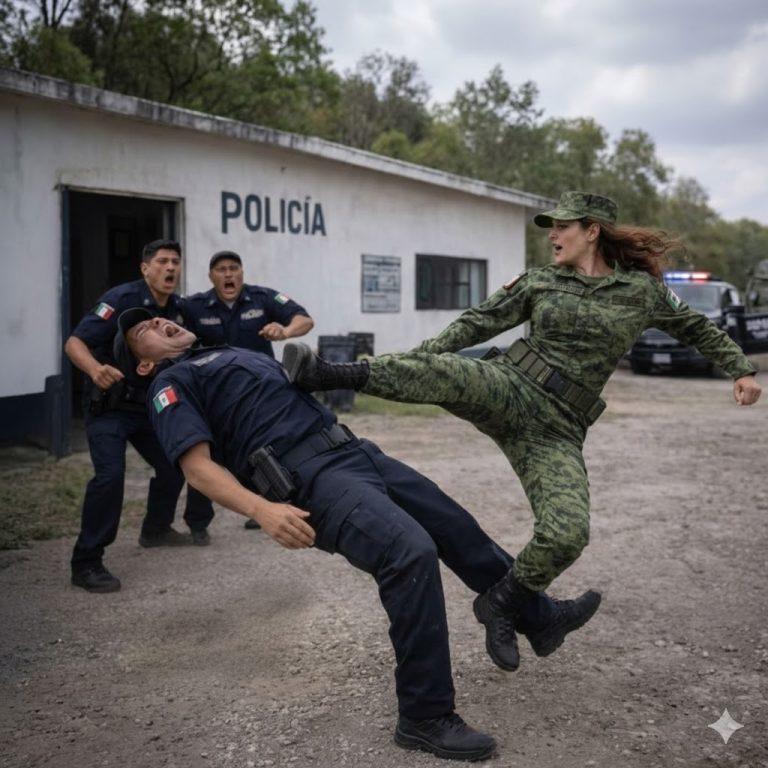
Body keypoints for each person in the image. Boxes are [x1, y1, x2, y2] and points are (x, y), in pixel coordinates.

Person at [282, 190, 763, 670]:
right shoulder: (539, 282)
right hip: (512, 387)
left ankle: (503, 603)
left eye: (563, 226)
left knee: (567, 534)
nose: (553, 235)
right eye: (551, 227)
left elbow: (697, 327)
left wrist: (740, 369)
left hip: (557, 429)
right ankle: (329, 375)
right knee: (449, 371)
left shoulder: (642, 292)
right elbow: (477, 323)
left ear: (591, 231)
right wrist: (421, 357)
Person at [114, 307, 601, 762]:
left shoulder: (229, 351)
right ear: (142, 366)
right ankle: (424, 716)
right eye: (144, 332)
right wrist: (261, 510)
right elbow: (196, 469)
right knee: (408, 553)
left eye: (159, 319)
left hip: (354, 451)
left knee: (454, 525)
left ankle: (538, 619)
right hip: (312, 478)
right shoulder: (171, 383)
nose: (159, 323)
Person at [64, 239, 215, 593]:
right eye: (162, 261)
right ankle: (86, 562)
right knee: (110, 476)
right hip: (110, 406)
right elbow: (75, 343)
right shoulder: (121, 300)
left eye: (175, 262)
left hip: (148, 407)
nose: (170, 268)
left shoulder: (180, 308)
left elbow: (199, 342)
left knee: (173, 463)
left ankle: (156, 529)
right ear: (144, 268)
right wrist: (95, 369)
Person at [183, 249, 314, 530]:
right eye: (221, 269)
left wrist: (285, 331)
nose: (228, 274)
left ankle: (269, 507)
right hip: (215, 393)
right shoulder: (194, 306)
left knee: (265, 447)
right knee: (207, 454)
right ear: (211, 276)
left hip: (259, 390)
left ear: (242, 273)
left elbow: (304, 319)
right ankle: (197, 524)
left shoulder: (262, 298)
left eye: (234, 268)